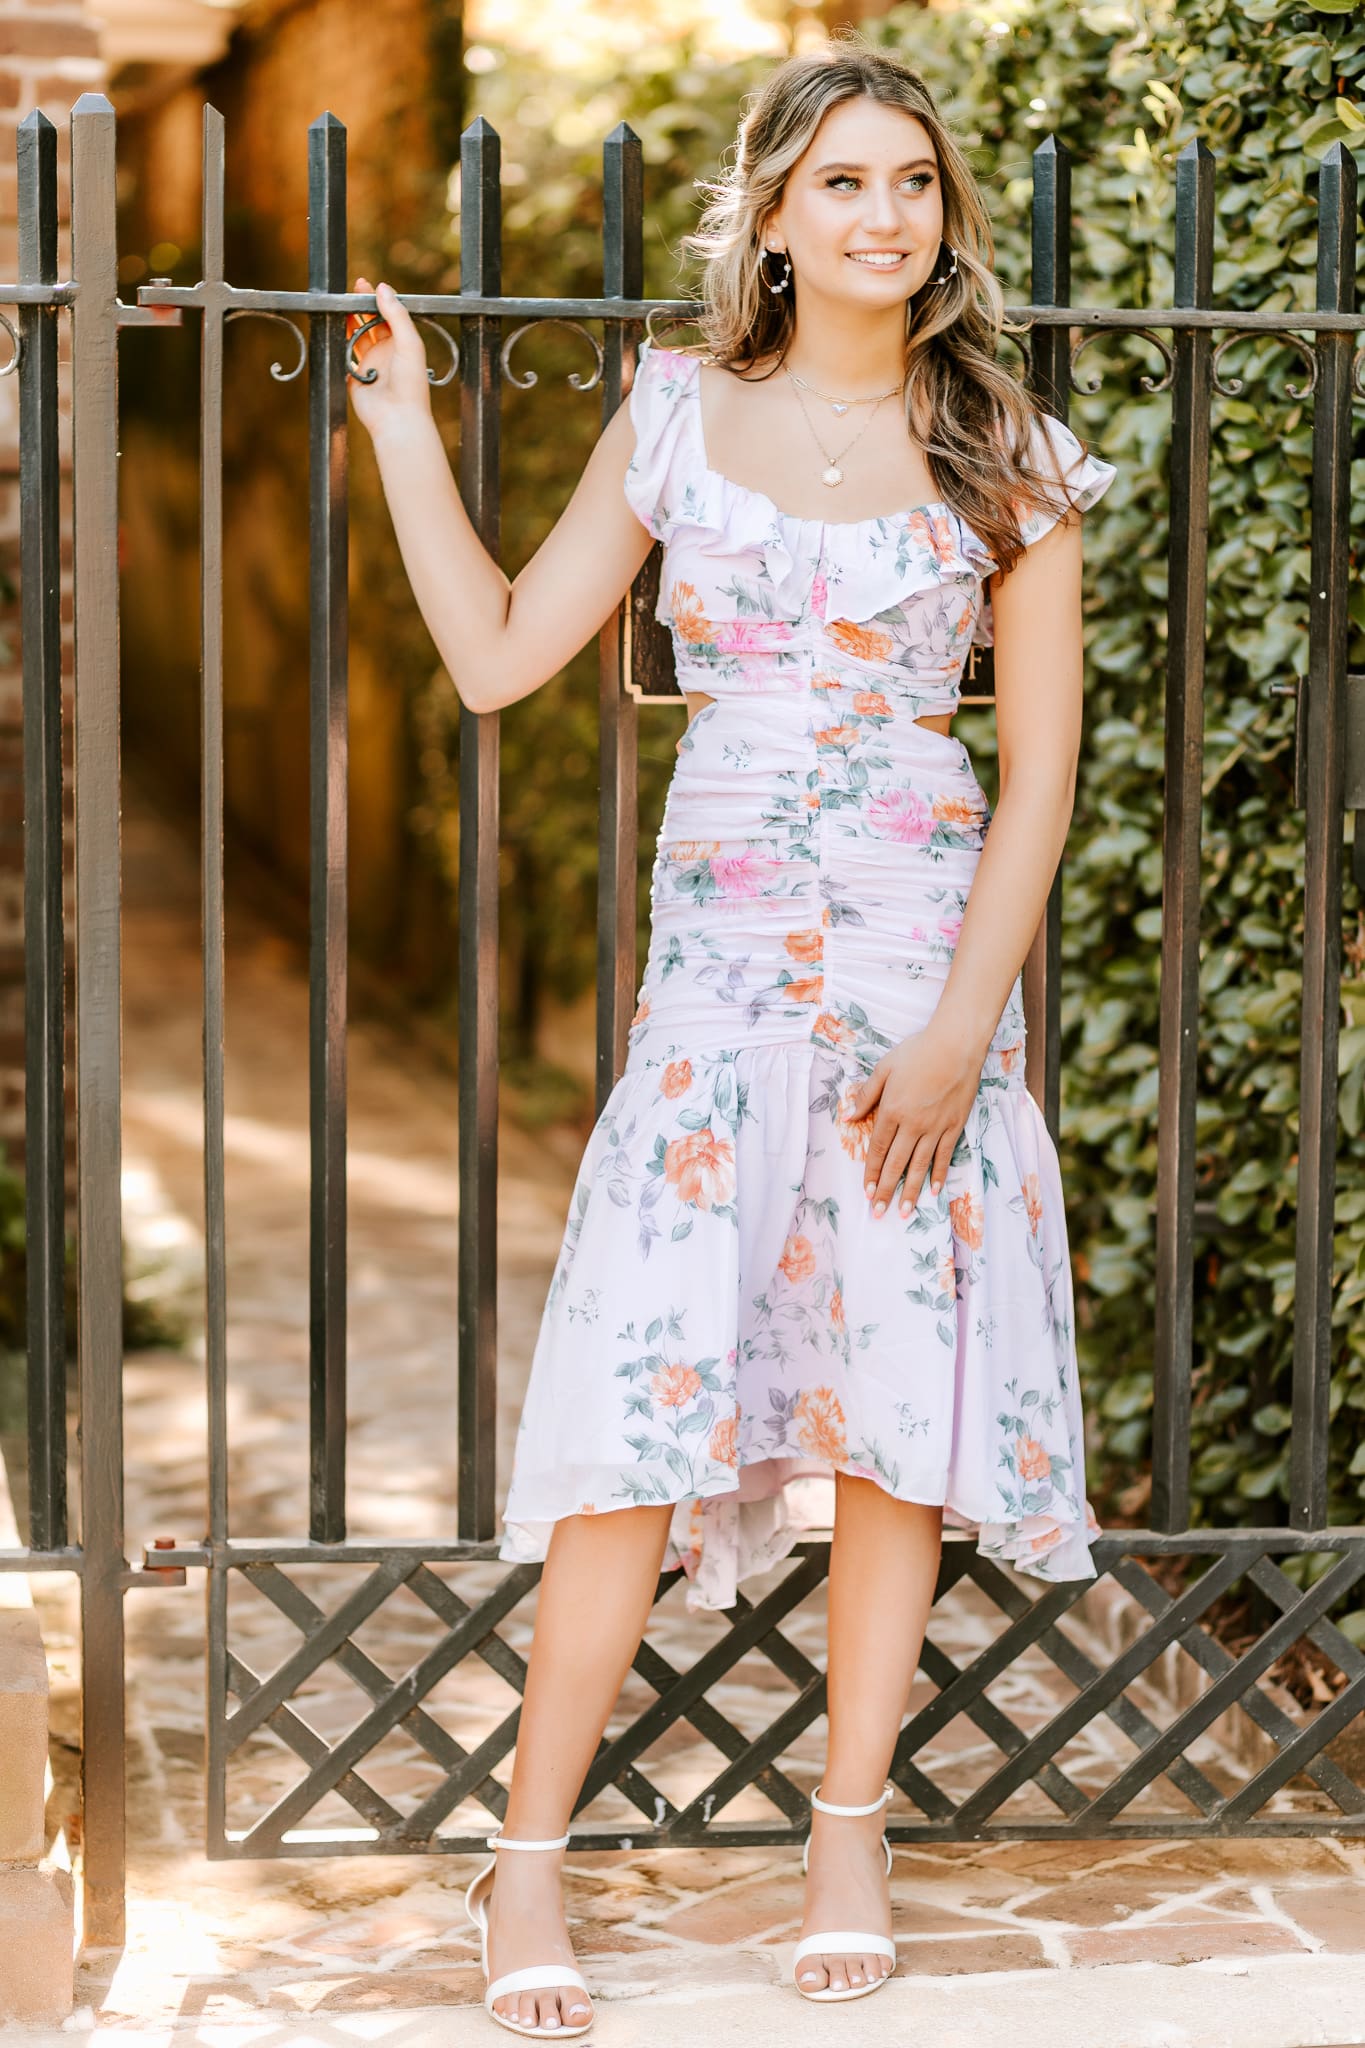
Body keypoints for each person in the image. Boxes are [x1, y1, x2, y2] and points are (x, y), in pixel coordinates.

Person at [347, 35, 1112, 2041]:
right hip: (713, 979)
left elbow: (1035, 779)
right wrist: (404, 432)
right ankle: (527, 1854)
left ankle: (842, 1827)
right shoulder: (677, 414)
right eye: (842, 181)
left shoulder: (1001, 449)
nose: (882, 216)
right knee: (638, 1404)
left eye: (912, 185)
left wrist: (960, 1029)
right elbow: (508, 656)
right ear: (770, 210)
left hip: (907, 964)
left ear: (937, 220)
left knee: (887, 1415)